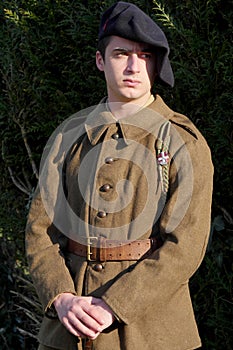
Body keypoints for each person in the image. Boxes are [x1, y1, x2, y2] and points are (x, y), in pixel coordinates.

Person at [25, 2, 213, 350]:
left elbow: (184, 247)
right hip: (69, 328)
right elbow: (41, 230)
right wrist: (62, 297)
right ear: (100, 61)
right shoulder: (69, 137)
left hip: (152, 332)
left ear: (156, 66)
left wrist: (116, 305)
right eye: (121, 54)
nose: (132, 66)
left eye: (144, 57)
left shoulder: (182, 141)